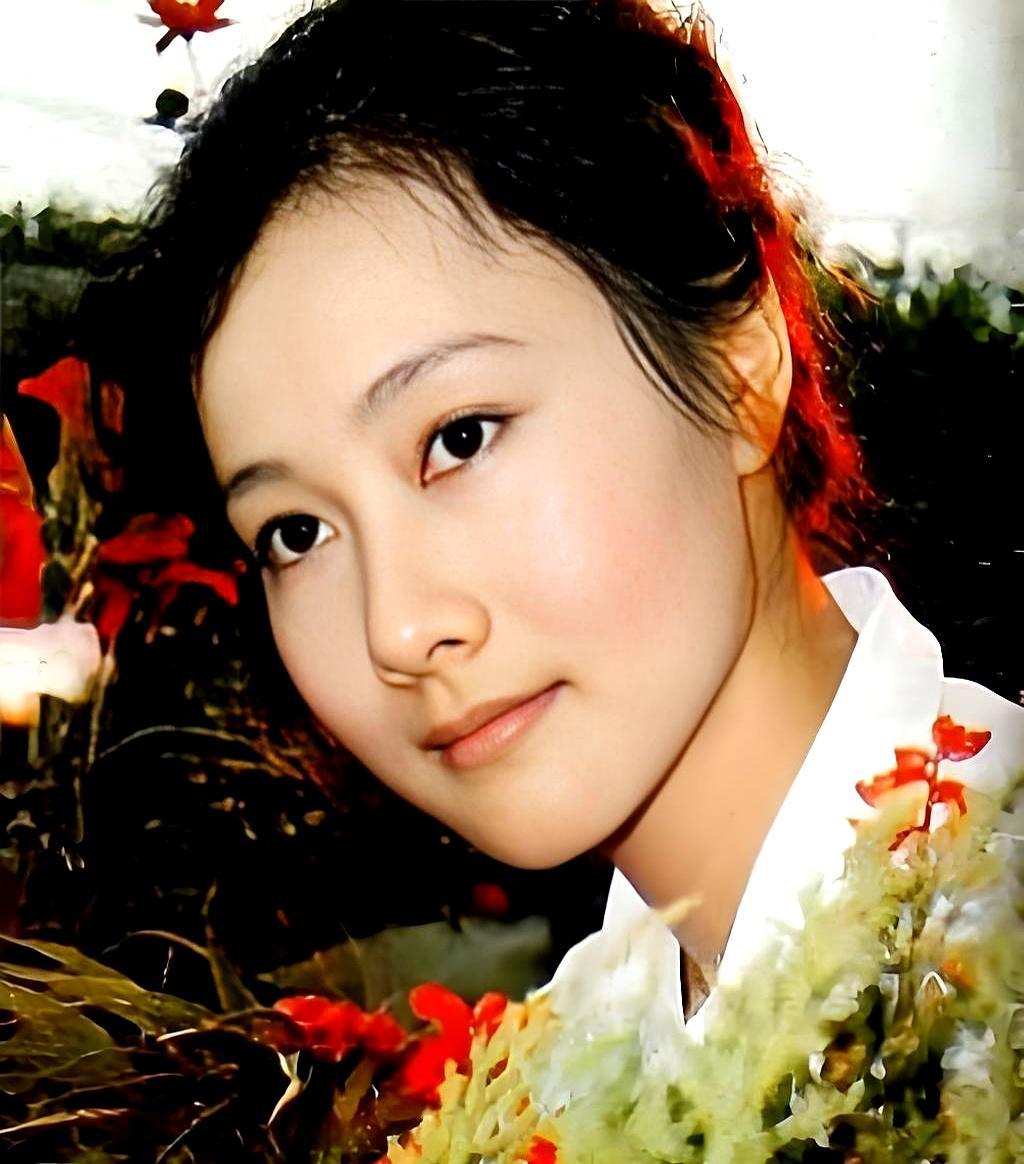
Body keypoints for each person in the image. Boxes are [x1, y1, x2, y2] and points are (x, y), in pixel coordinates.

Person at [100, 0, 1023, 1069]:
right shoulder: (577, 1060)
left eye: (459, 437)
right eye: (296, 532)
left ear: (740, 367)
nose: (397, 630)